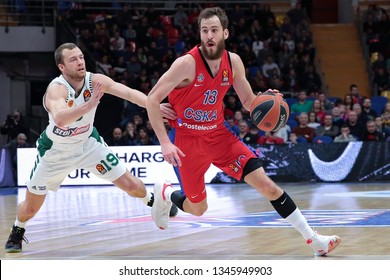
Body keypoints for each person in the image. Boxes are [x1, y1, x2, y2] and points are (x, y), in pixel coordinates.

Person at [146, 7, 340, 256]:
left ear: (225, 33)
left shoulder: (233, 62)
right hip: (186, 141)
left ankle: (315, 241)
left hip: (219, 136)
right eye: (204, 30)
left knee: (268, 186)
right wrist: (165, 142)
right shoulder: (185, 64)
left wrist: (267, 101)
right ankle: (167, 193)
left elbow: (249, 103)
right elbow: (152, 100)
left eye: (214, 30)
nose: (209, 35)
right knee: (198, 209)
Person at [4, 43, 177, 253]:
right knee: (30, 208)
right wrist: (89, 105)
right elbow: (59, 119)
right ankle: (18, 229)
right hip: (55, 151)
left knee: (133, 186)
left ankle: (154, 202)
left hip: (88, 144)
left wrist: (155, 106)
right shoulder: (56, 88)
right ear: (62, 67)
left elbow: (130, 93)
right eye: (73, 60)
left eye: (81, 57)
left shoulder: (95, 80)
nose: (80, 62)